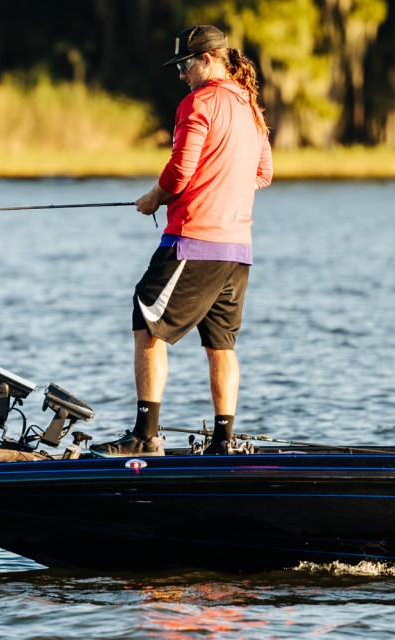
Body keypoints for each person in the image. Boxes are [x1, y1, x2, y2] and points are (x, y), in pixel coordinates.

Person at [91, 25, 273, 456]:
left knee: (146, 319)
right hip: (237, 250)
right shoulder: (249, 105)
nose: (181, 75)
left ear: (208, 60)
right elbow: (263, 173)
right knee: (221, 344)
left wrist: (154, 198)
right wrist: (223, 185)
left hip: (193, 241)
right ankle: (223, 442)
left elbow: (179, 171)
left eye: (185, 65)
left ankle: (145, 437)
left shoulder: (199, 103)